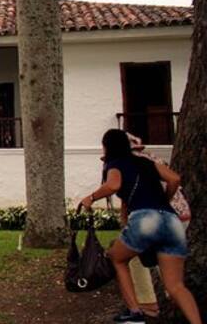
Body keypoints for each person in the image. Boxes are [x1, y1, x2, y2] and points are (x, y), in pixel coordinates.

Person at [80, 129, 201, 324]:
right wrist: (165, 200)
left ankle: (135, 312)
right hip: (172, 222)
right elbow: (174, 179)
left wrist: (91, 197)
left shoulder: (114, 164)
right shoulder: (147, 162)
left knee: (116, 258)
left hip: (145, 219)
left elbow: (113, 185)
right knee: (176, 286)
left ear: (107, 147)